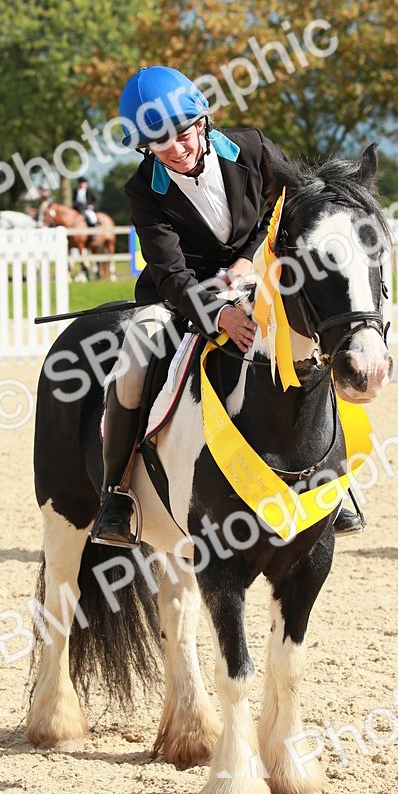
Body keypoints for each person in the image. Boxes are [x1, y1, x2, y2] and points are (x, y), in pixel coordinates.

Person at [91, 65, 274, 547]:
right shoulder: (141, 190)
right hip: (180, 298)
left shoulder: (252, 147)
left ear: (203, 121)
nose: (175, 148)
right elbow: (170, 273)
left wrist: (247, 259)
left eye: (182, 132)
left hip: (257, 276)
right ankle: (117, 493)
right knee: (133, 362)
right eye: (159, 142)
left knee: (311, 336)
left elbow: (285, 204)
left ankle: (333, 481)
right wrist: (219, 314)